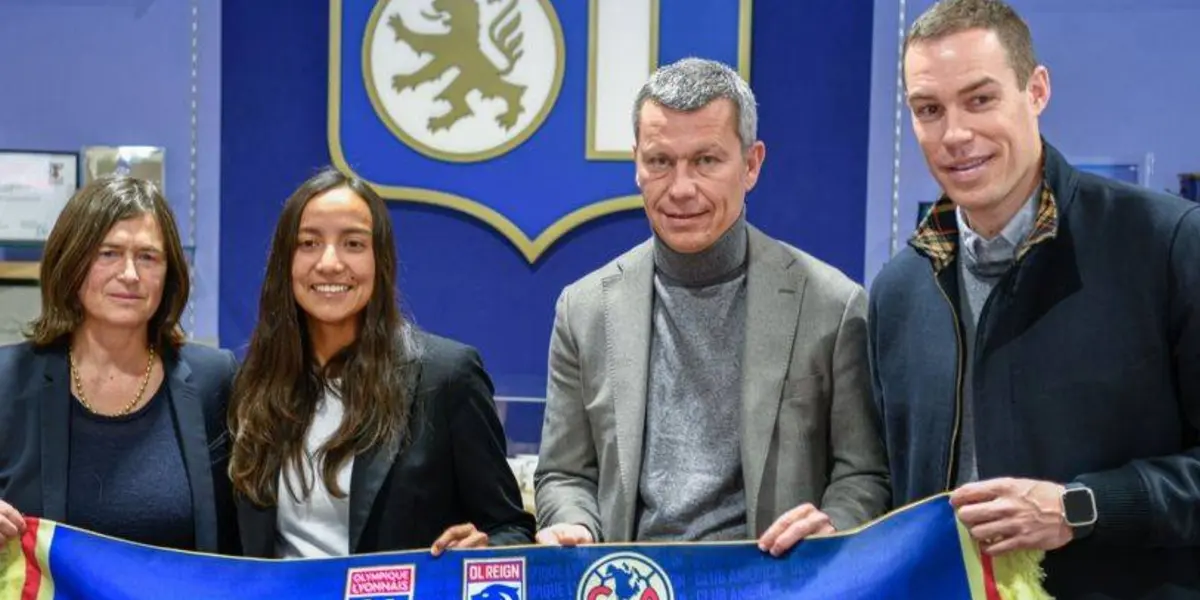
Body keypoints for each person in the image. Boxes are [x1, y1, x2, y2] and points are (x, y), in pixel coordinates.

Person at [868, 0, 1200, 596]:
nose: (956, 134)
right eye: (928, 110)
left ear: (1037, 89)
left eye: (980, 99)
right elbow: (889, 495)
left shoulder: (1168, 244)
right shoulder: (897, 294)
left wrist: (1082, 507)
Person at [534, 57, 889, 555]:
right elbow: (564, 473)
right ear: (637, 164)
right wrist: (575, 525)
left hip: (771, 583)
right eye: (660, 161)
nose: (681, 188)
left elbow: (865, 472)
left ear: (751, 165)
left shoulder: (833, 304)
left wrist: (834, 525)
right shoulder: (584, 308)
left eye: (706, 160)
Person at [228, 168, 534, 558]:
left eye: (353, 244)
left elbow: (511, 528)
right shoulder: (253, 383)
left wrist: (483, 547)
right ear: (284, 263)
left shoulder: (446, 377)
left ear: (380, 261)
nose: (330, 263)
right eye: (308, 242)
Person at [0, 176, 239, 553]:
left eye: (147, 257)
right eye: (107, 253)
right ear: (72, 261)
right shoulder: (7, 380)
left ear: (169, 273)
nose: (129, 274)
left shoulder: (216, 380)